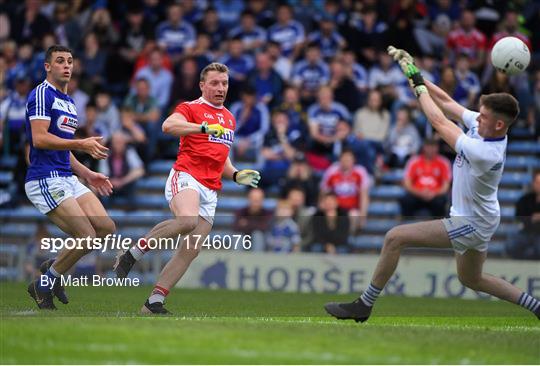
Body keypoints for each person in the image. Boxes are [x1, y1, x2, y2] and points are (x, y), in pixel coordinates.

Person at [325, 46, 540, 322]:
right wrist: (414, 73)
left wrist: (417, 87)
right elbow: (448, 104)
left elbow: (438, 121)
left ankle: (363, 305)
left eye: (483, 116)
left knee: (395, 237)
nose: (477, 117)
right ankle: (536, 306)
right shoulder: (485, 124)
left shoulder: (486, 152)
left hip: (472, 221)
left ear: (499, 125)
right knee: (472, 279)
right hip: (483, 217)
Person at [113, 63, 261, 314]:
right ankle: (132, 253)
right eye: (214, 83)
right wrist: (201, 127)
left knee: (191, 249)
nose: (220, 88)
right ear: (202, 85)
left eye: (224, 83)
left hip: (210, 187)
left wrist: (235, 174)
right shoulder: (190, 108)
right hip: (186, 175)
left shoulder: (229, 118)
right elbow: (168, 126)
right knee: (187, 220)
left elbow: (221, 156)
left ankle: (154, 302)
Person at [25, 45, 115, 310]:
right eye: (60, 61)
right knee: (86, 234)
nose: (67, 65)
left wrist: (87, 174)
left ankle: (53, 269)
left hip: (66, 176)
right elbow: (40, 139)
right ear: (47, 66)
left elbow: (63, 146)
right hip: (45, 178)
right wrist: (81, 143)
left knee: (106, 228)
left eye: (70, 61)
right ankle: (45, 284)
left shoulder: (69, 101)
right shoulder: (42, 94)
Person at [400, 139, 451, 218]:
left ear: (437, 148)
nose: (430, 149)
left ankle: (438, 228)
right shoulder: (413, 161)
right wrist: (419, 193)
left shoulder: (444, 162)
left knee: (441, 202)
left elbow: (445, 187)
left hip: (435, 196)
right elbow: (407, 184)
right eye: (428, 146)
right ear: (424, 147)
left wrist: (433, 193)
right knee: (406, 200)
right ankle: (407, 226)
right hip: (417, 195)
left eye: (433, 147)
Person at [505, 171, 540, 260]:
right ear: (533, 183)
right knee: (512, 242)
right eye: (538, 183)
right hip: (526, 232)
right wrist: (531, 219)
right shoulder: (524, 200)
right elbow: (518, 218)